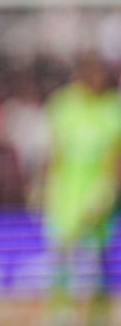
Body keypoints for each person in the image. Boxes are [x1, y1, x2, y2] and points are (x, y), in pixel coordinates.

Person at [42, 52, 121, 326]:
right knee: (62, 253)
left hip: (98, 194)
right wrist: (47, 185)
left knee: (95, 258)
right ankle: (60, 313)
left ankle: (97, 315)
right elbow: (55, 151)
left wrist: (108, 190)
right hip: (66, 194)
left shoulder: (113, 110)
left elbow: (115, 157)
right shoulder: (64, 106)